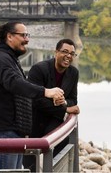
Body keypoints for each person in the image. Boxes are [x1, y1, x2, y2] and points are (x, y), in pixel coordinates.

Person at [0, 21, 64, 170]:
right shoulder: (1, 58)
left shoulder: (9, 58)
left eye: (28, 35)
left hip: (13, 130)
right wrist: (46, 91)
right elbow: (14, 82)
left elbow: (17, 88)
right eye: (23, 35)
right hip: (5, 130)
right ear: (10, 36)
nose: (27, 39)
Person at [23, 38, 80, 172]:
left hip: (55, 123)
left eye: (72, 53)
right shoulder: (39, 69)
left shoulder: (73, 73)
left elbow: (73, 100)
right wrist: (65, 109)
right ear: (55, 52)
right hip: (34, 121)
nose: (68, 56)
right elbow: (35, 100)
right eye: (65, 52)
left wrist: (64, 102)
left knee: (57, 160)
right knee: (30, 164)